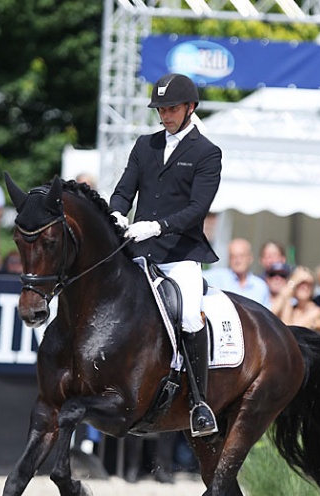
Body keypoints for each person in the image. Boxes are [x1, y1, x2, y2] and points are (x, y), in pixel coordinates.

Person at [109, 73, 221, 437]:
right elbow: (125, 190)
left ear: (190, 108)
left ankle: (199, 404)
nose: (165, 115)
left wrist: (157, 226)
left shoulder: (206, 153)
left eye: (171, 108)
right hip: (138, 250)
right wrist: (116, 212)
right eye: (160, 109)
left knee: (189, 315)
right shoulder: (145, 146)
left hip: (180, 253)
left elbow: (197, 208)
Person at [203, 238, 270, 307]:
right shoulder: (216, 277)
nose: (238, 261)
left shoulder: (260, 287)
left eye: (241, 256)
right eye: (233, 256)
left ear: (250, 258)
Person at [276, 266, 320, 331]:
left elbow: (290, 329)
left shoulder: (316, 311)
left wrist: (288, 294)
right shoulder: (292, 308)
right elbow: (270, 313)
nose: (305, 287)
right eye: (301, 283)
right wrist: (293, 282)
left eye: (309, 284)